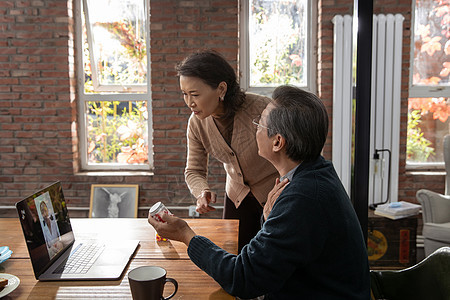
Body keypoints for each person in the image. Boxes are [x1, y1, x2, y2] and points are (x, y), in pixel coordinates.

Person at [148, 85, 370, 299]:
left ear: (278, 142)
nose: (255, 128)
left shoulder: (302, 198)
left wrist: (186, 235)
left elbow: (243, 279)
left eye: (260, 123)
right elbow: (276, 256)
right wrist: (269, 217)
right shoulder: (314, 173)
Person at [176, 49, 278, 251]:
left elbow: (296, 153)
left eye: (195, 94)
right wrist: (201, 192)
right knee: (237, 256)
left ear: (221, 89)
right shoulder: (196, 123)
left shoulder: (263, 109)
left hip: (275, 195)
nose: (189, 103)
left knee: (273, 257)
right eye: (185, 94)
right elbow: (194, 170)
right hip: (237, 198)